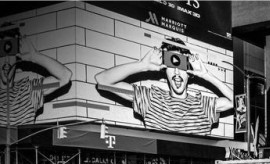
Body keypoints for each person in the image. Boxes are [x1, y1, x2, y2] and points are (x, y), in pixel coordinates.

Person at [95, 38, 232, 135]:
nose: (177, 72)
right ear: (164, 70)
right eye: (171, 67)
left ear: (190, 73)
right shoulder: (151, 98)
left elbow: (238, 103)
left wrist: (206, 75)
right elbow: (103, 81)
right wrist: (142, 65)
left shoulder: (204, 105)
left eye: (181, 67)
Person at [1, 32, 72, 126]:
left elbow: (65, 76)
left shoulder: (28, 90)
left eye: (10, 54)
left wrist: (34, 56)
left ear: (16, 58)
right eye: (1, 54)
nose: (6, 60)